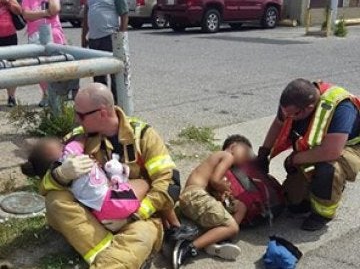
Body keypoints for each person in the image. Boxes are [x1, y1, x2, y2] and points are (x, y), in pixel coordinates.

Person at [39, 82, 183, 268]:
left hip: (136, 218)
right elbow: (44, 187)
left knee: (142, 236)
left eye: (81, 115)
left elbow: (169, 182)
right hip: (93, 213)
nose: (76, 120)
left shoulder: (143, 136)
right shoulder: (76, 139)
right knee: (55, 200)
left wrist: (133, 216)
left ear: (102, 113)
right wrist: (61, 174)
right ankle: (112, 252)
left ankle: (109, 259)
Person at [257, 78, 360, 231]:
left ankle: (323, 213)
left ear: (308, 108)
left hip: (346, 148)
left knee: (328, 168)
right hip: (317, 147)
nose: (288, 118)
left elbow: (332, 151)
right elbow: (278, 123)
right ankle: (311, 194)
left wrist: (294, 159)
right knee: (293, 205)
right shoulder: (293, 103)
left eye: (293, 115)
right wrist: (263, 153)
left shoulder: (342, 108)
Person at [21, 137, 150, 224]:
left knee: (130, 187)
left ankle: (124, 216)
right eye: (60, 145)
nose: (63, 144)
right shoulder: (68, 155)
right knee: (144, 183)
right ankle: (133, 214)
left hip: (98, 211)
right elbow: (81, 139)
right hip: (113, 201)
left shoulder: (62, 179)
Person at [173, 134, 253, 267]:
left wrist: (221, 196)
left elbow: (211, 186)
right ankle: (189, 247)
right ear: (233, 147)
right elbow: (215, 180)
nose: (247, 158)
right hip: (195, 196)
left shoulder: (217, 162)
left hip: (192, 201)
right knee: (232, 227)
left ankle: (216, 239)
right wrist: (225, 188)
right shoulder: (227, 156)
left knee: (240, 207)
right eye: (246, 152)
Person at [81, 0, 130, 104]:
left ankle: (118, 106)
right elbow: (86, 17)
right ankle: (102, 105)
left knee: (115, 75)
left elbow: (124, 14)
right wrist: (83, 37)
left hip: (110, 37)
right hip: (94, 40)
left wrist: (121, 36)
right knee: (98, 75)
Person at [22, 0, 66, 107]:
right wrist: (45, 13)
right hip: (35, 35)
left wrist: (39, 14)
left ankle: (59, 95)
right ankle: (46, 93)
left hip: (54, 33)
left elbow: (55, 10)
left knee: (58, 66)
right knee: (40, 67)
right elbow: (27, 15)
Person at [0, 0, 22, 107]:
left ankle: (11, 97)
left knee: (11, 66)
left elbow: (19, 11)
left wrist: (8, 2)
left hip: (10, 36)